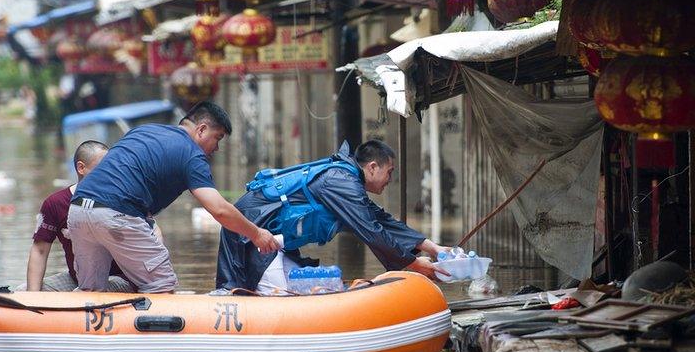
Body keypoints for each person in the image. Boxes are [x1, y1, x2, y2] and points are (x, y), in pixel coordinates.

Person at [68, 101, 280, 293]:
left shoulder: (143, 131)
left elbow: (125, 174)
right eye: (218, 138)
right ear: (202, 129)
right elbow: (219, 209)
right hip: (115, 214)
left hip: (78, 209)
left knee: (90, 293)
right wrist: (256, 233)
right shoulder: (191, 155)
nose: (216, 148)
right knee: (161, 287)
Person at [216, 139, 449, 294]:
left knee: (296, 291)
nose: (390, 179)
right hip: (251, 235)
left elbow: (381, 219)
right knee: (278, 297)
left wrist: (433, 247)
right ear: (372, 167)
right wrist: (415, 264)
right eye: (389, 172)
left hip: (272, 243)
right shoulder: (340, 182)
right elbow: (370, 230)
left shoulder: (346, 182)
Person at [25, 140, 132, 292]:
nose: (110, 173)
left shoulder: (124, 198)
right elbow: (40, 250)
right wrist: (32, 298)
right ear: (81, 167)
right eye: (103, 168)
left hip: (119, 278)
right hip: (76, 278)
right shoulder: (55, 203)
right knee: (23, 290)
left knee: (82, 293)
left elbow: (153, 231)